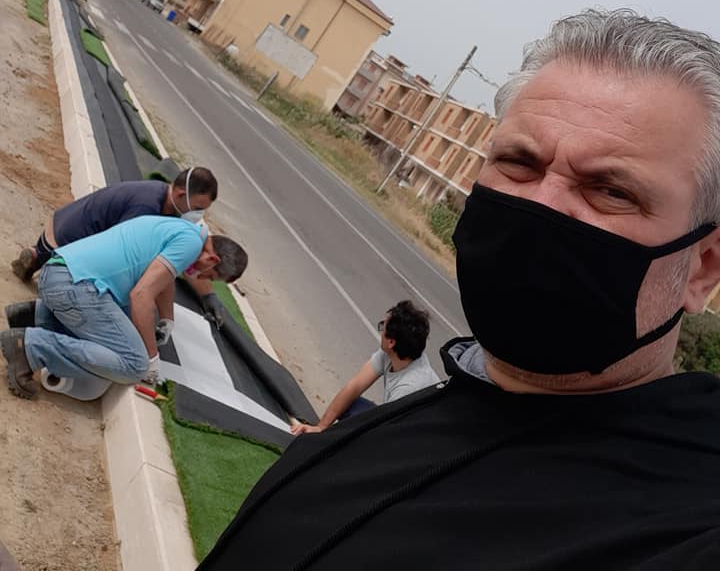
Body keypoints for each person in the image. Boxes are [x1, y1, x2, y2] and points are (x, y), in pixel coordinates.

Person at [195, 9, 720, 570]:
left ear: (703, 269)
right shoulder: (404, 418)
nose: (540, 205)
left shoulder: (687, 526)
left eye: (611, 191)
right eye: (518, 162)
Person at [0, 214, 248, 401]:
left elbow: (165, 279)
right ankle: (30, 347)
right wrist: (151, 358)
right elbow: (141, 295)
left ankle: (38, 316)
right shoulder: (190, 245)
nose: (203, 279)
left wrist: (167, 319)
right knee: (133, 364)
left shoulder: (185, 231)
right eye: (210, 276)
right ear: (212, 259)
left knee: (131, 331)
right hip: (75, 287)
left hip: (63, 273)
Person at [11, 166, 227, 326]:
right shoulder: (146, 207)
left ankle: (37, 255)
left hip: (60, 226)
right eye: (197, 208)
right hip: (64, 245)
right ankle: (42, 292)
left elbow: (186, 257)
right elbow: (124, 255)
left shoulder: (165, 198)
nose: (198, 215)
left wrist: (207, 294)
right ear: (181, 194)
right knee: (120, 310)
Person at [292, 300, 440, 435]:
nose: (381, 332)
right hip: (393, 423)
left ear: (391, 342)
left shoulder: (409, 388)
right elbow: (354, 387)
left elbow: (387, 436)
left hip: (411, 441)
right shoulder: (396, 353)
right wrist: (321, 427)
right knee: (350, 404)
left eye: (383, 327)